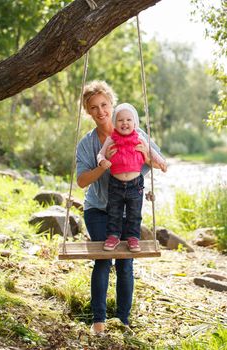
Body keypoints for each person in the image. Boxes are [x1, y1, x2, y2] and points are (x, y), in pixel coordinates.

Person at [76, 80, 165, 336]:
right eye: (94, 107)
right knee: (103, 261)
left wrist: (145, 154)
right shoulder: (87, 143)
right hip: (98, 209)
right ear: (88, 111)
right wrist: (101, 167)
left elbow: (160, 162)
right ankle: (99, 320)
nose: (100, 111)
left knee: (126, 264)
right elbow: (82, 182)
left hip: (128, 207)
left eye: (104, 105)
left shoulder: (134, 130)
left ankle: (123, 320)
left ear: (112, 104)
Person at [97, 103, 167, 253]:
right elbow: (100, 154)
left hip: (135, 184)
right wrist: (102, 160)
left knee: (134, 213)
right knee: (114, 212)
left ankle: (133, 238)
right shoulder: (111, 139)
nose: (125, 123)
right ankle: (113, 236)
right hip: (115, 184)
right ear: (115, 123)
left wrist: (161, 162)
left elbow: (152, 152)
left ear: (135, 123)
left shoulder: (140, 138)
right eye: (120, 120)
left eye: (129, 120)